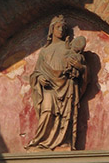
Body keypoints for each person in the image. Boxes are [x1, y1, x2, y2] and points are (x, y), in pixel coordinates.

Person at [26, 17, 88, 150]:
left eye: (63, 28)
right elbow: (36, 73)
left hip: (67, 87)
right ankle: (42, 142)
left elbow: (82, 69)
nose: (61, 30)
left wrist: (79, 67)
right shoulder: (44, 51)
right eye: (58, 27)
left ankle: (63, 142)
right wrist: (40, 78)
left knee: (66, 115)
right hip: (49, 87)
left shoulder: (69, 48)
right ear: (52, 30)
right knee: (47, 112)